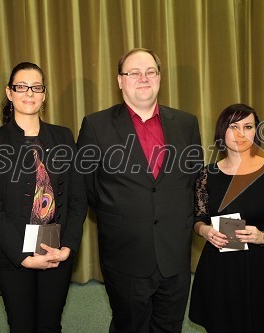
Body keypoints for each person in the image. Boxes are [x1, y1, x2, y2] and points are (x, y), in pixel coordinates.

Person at [77, 48, 203, 332]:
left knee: (170, 327)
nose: (143, 78)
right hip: (126, 254)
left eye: (150, 72)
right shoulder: (95, 126)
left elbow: (194, 182)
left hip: (175, 254)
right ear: (120, 80)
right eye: (133, 72)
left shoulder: (186, 123)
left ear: (159, 77)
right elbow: (88, 188)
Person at [0, 62, 87, 333]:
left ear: (44, 94)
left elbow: (77, 198)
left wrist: (68, 248)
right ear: (9, 92)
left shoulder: (63, 137)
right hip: (12, 256)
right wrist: (22, 256)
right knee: (22, 325)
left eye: (36, 87)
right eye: (21, 87)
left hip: (56, 252)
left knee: (50, 324)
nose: (29, 93)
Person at [188, 103, 264, 333]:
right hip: (221, 267)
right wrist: (205, 231)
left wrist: (262, 236)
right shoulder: (206, 174)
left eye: (248, 126)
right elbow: (199, 217)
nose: (241, 133)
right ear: (222, 131)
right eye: (233, 126)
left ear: (256, 131)